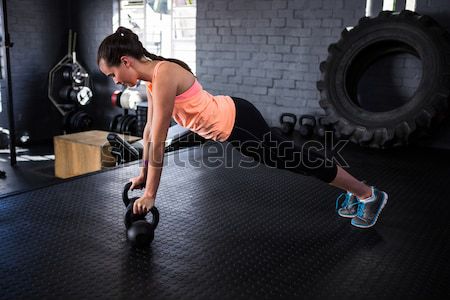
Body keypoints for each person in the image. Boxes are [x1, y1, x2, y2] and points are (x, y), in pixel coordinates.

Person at [97, 27, 388, 229]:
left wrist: (151, 195)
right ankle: (357, 191)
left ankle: (367, 194)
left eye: (113, 74)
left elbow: (158, 140)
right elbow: (149, 133)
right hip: (235, 119)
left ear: (125, 61)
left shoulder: (163, 75)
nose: (116, 81)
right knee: (294, 159)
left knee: (297, 161)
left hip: (238, 124)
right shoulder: (152, 79)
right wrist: (143, 173)